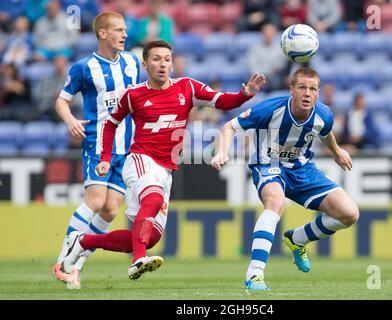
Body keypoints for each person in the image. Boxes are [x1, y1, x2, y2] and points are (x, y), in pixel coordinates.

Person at [61, 40, 267, 281]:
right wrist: (106, 156)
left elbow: (222, 101)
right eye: (157, 59)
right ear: (145, 64)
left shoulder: (187, 87)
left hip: (165, 168)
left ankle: (83, 242)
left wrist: (244, 94)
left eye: (167, 59)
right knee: (153, 198)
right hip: (141, 159)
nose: (163, 64)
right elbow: (110, 123)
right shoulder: (134, 94)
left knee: (150, 238)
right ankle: (137, 260)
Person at [211, 67, 359, 291]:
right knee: (276, 204)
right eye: (302, 88)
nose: (307, 93)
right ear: (292, 89)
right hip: (268, 164)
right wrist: (223, 151)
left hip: (303, 169)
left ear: (318, 93)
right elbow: (229, 126)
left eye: (312, 89)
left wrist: (337, 152)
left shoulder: (324, 114)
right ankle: (255, 275)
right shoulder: (271, 108)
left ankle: (297, 239)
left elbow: (326, 131)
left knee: (349, 214)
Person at [52, 11, 141, 289]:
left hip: (126, 147)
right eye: (118, 30)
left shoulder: (132, 62)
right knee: (95, 201)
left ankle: (76, 265)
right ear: (102, 33)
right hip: (98, 142)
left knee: (111, 210)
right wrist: (70, 121)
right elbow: (61, 101)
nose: (124, 35)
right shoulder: (84, 67)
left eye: (125, 30)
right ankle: (64, 261)